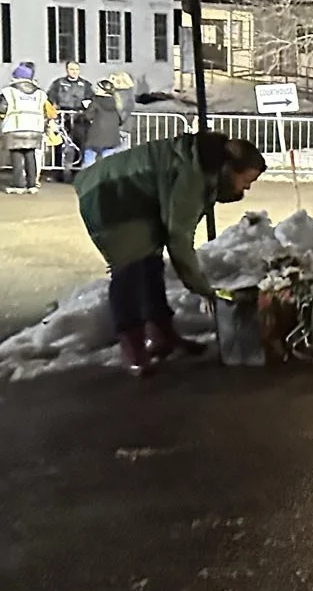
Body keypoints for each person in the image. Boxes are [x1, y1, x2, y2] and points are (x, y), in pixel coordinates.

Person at [75, 131, 268, 374]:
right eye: (246, 180)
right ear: (229, 170)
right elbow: (179, 237)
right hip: (109, 194)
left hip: (129, 194)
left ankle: (161, 334)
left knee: (150, 262)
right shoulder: (194, 175)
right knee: (130, 266)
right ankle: (132, 346)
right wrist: (201, 288)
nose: (247, 188)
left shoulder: (206, 167)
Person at [2, 63, 51, 194]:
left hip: (15, 126)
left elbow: (2, 108)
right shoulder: (40, 93)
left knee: (17, 155)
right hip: (35, 127)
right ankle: (31, 184)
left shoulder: (8, 91)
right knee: (30, 155)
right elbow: (47, 110)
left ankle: (18, 185)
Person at [76, 82, 125, 169]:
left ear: (103, 91)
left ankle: (87, 177)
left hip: (96, 135)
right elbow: (120, 120)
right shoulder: (115, 103)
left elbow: (87, 116)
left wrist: (82, 112)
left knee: (89, 155)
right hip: (112, 136)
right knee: (108, 162)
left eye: (98, 88)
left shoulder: (96, 102)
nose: (95, 90)